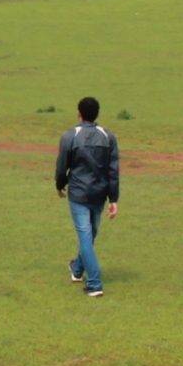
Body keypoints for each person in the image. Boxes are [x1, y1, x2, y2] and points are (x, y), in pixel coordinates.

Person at [54, 96, 120, 297]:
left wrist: (60, 185)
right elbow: (113, 170)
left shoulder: (70, 136)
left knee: (85, 235)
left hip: (78, 193)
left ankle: (94, 283)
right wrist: (114, 198)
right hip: (99, 194)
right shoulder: (108, 136)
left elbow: (62, 165)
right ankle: (76, 270)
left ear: (79, 113)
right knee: (89, 235)